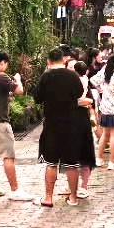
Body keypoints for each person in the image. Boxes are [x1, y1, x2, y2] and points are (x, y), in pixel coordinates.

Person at [0, 53, 34, 201]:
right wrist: (18, 79)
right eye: (6, 64)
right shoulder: (1, 76)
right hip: (0, 121)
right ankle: (15, 190)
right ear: (3, 62)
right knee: (8, 155)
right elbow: (19, 91)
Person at [36, 48, 86, 207]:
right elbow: (79, 93)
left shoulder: (46, 77)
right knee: (71, 164)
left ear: (48, 61)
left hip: (51, 125)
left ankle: (48, 198)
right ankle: (73, 197)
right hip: (71, 124)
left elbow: (37, 98)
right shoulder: (72, 76)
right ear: (63, 60)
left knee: (51, 163)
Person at [72, 60, 97, 197]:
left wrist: (83, 102)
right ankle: (72, 185)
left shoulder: (79, 81)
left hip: (82, 122)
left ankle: (83, 186)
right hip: (71, 122)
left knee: (84, 155)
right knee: (72, 156)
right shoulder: (84, 80)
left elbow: (90, 101)